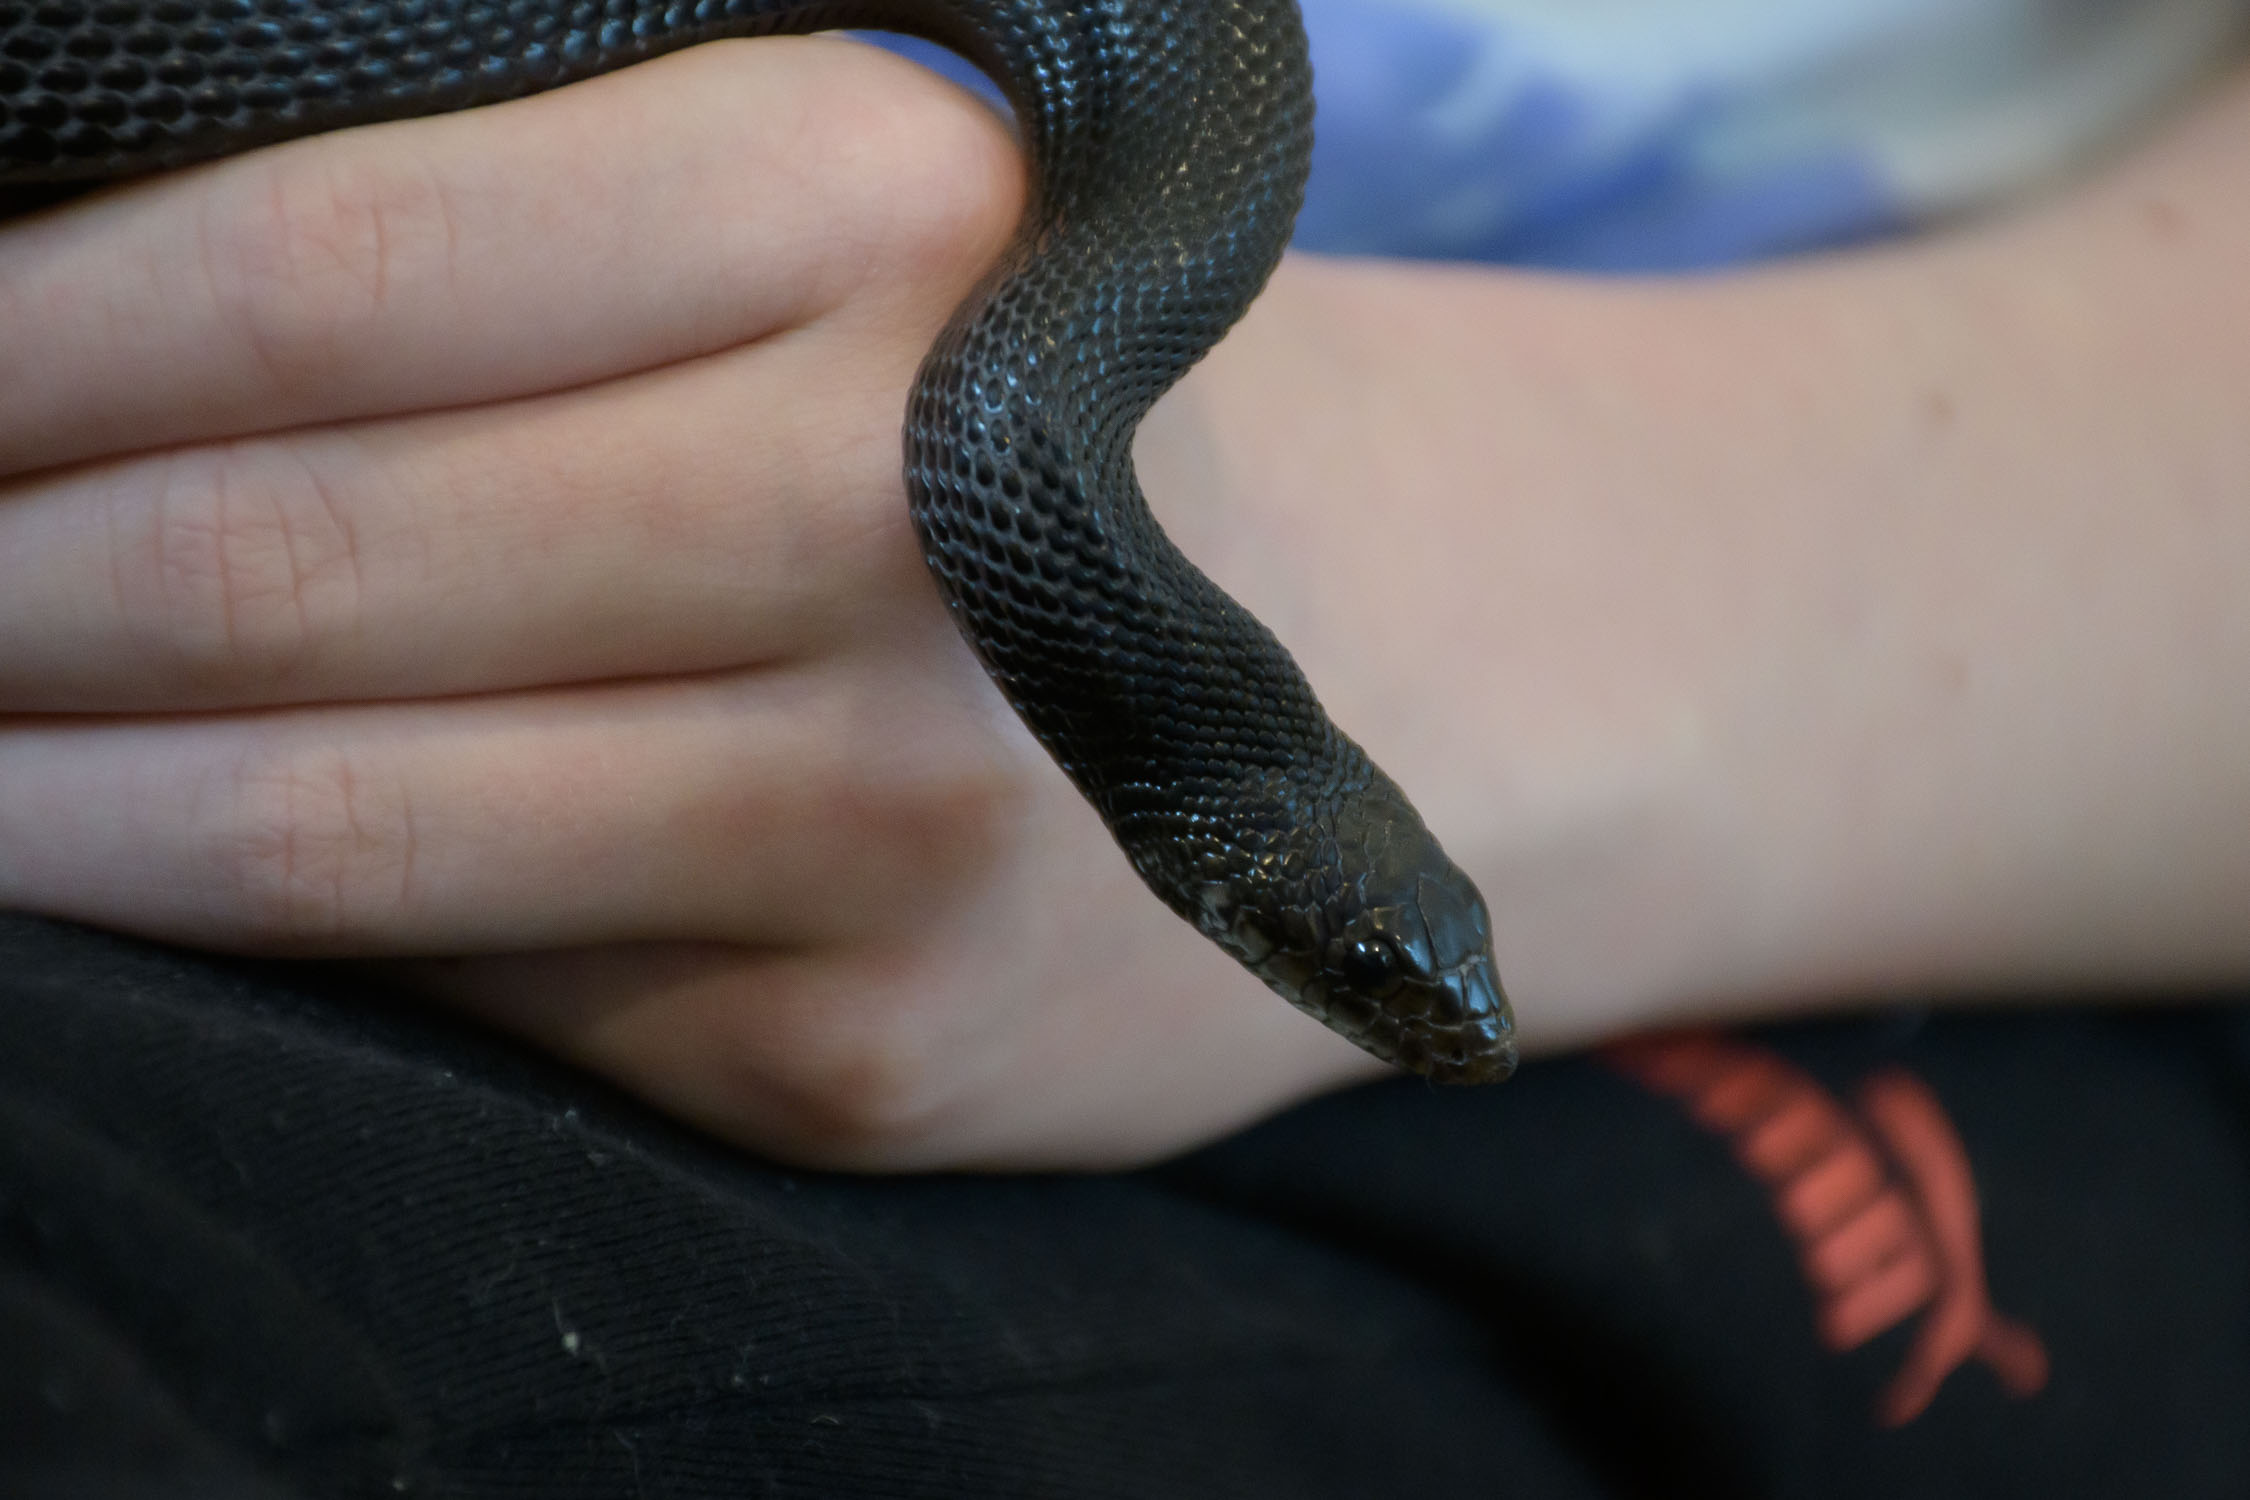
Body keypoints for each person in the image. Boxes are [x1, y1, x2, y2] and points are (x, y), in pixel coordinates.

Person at [2, 3, 2247, 1494]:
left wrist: (1543, 578)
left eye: (1380, 966)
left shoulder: (1055, 433)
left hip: (1920, 927)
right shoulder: (1034, 423)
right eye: (1370, 971)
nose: (1420, 1005)